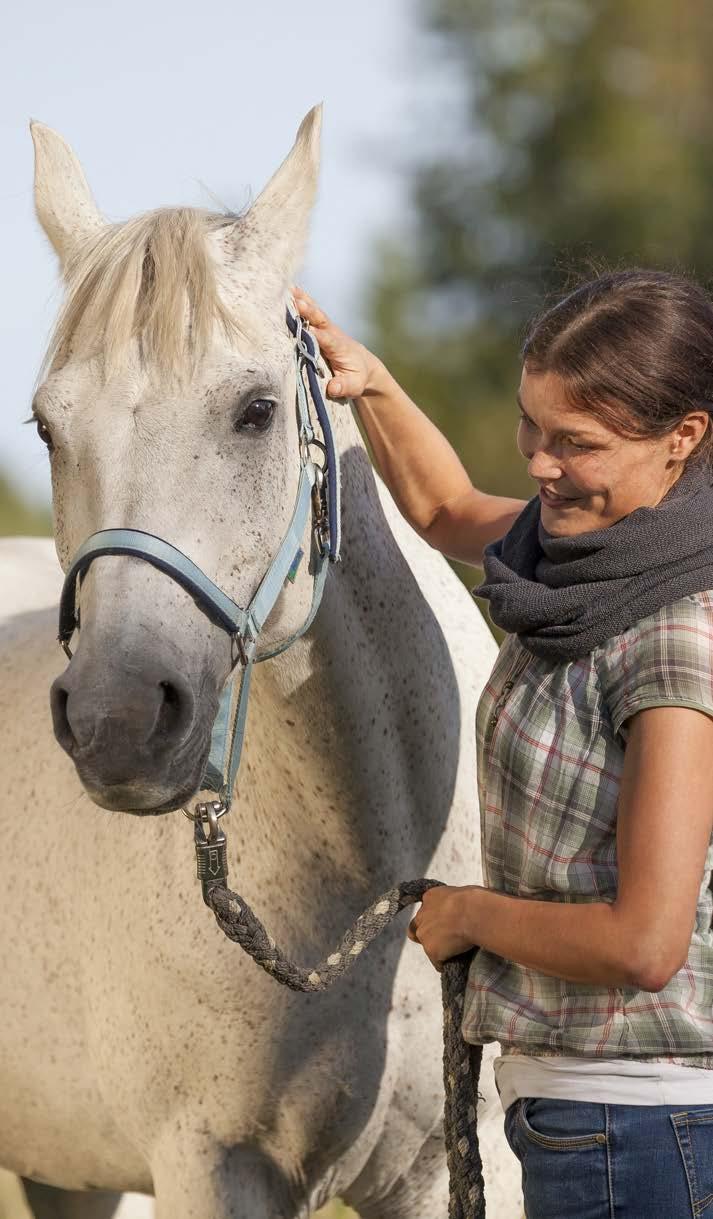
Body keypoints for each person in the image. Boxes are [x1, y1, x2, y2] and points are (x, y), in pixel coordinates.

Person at [293, 270, 713, 1219]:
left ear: (680, 438)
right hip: (588, 1118)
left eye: (578, 443)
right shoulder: (582, 558)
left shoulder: (675, 637)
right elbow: (445, 510)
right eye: (532, 426)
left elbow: (645, 941)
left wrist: (469, 915)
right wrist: (376, 385)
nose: (539, 463)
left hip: (644, 1134)